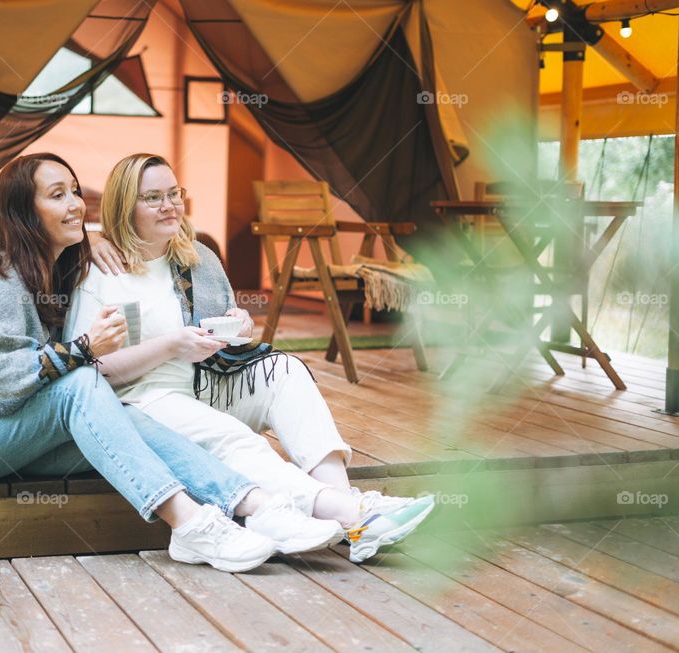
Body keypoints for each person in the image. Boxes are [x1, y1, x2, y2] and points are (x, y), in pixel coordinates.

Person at [0, 152, 346, 573]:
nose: (75, 204)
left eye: (74, 191)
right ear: (21, 212)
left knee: (130, 416)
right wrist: (84, 348)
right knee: (84, 384)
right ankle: (189, 523)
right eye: (57, 196)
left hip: (21, 429)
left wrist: (94, 240)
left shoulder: (59, 267)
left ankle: (257, 506)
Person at [67, 153, 435, 563]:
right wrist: (171, 346)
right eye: (152, 197)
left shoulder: (197, 258)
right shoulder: (98, 272)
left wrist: (238, 324)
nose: (169, 205)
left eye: (174, 193)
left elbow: (222, 327)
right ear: (124, 206)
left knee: (287, 371)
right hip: (145, 399)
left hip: (205, 379)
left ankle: (351, 513)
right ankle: (353, 514)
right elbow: (90, 371)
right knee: (235, 437)